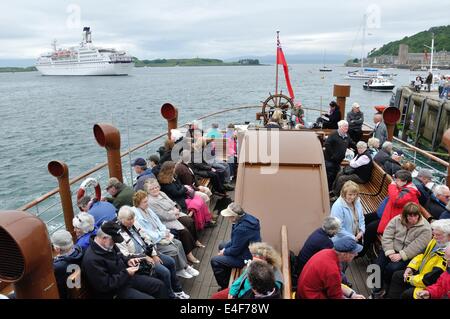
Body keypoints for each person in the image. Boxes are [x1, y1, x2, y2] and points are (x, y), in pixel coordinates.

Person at [115, 205, 190, 299]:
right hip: (139, 260)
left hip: (149, 253)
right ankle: (170, 296)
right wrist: (145, 257)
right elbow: (125, 255)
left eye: (133, 218)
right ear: (121, 219)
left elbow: (147, 239)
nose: (132, 221)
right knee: (164, 272)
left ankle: (177, 290)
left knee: (170, 262)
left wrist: (154, 254)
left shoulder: (135, 224)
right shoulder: (118, 234)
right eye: (129, 219)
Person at [81, 221, 168, 299]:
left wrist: (128, 261)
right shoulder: (91, 259)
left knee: (159, 285)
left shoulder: (109, 245)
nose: (115, 243)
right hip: (114, 291)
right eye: (113, 240)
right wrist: (126, 273)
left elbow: (121, 257)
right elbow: (105, 285)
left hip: (125, 279)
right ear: (104, 238)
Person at [132, 190, 199, 279]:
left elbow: (158, 222)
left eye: (147, 201)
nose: (147, 203)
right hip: (155, 241)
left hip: (162, 235)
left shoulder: (147, 210)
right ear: (138, 203)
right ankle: (180, 270)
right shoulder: (138, 217)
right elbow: (147, 233)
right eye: (144, 202)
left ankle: (185, 266)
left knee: (178, 243)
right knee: (173, 250)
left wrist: (165, 231)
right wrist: (162, 234)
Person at [371, 203, 432, 298]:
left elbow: (417, 246)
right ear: (405, 215)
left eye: (415, 215)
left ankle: (387, 286)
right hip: (391, 248)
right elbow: (387, 236)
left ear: (419, 214)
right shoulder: (397, 220)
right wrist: (390, 252)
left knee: (392, 268)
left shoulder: (426, 228)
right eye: (410, 216)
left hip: (408, 255)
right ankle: (377, 289)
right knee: (376, 265)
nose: (413, 219)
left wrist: (401, 255)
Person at [387, 219, 450, 299]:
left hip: (428, 284)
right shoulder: (436, 241)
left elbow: (429, 279)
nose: (434, 237)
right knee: (397, 275)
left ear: (449, 236)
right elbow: (422, 255)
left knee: (407, 294)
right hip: (420, 274)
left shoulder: (447, 256)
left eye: (438, 235)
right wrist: (411, 267)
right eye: (434, 234)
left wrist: (409, 278)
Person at [144, 179, 202, 264]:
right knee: (183, 231)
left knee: (189, 221)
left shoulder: (162, 193)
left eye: (156, 187)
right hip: (166, 221)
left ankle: (195, 240)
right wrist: (174, 213)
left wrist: (176, 209)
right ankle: (189, 254)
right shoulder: (151, 201)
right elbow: (163, 215)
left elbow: (172, 203)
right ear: (148, 191)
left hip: (175, 213)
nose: (155, 190)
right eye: (152, 189)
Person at [211, 203, 261, 290]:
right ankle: (228, 270)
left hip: (247, 258)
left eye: (229, 216)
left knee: (215, 261)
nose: (227, 218)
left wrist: (224, 252)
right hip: (246, 250)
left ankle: (225, 287)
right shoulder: (247, 218)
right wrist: (225, 249)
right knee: (222, 245)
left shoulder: (242, 229)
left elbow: (235, 250)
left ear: (234, 217)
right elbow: (235, 240)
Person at [297, 235, 364, 299]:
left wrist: (352, 295)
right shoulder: (332, 270)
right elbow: (336, 297)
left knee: (353, 294)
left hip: (305, 291)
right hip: (310, 296)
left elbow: (336, 285)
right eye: (354, 252)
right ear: (344, 254)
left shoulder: (327, 252)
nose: (356, 254)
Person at [211, 242, 283, 299]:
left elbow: (253, 293)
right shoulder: (256, 266)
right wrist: (233, 290)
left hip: (243, 295)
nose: (251, 262)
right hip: (239, 291)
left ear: (266, 261)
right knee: (215, 297)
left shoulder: (272, 280)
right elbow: (242, 278)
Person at [158, 161, 214, 230]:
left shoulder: (173, 176)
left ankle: (206, 220)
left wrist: (182, 188)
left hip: (183, 195)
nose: (175, 169)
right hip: (179, 200)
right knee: (198, 204)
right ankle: (202, 223)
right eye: (174, 168)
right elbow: (176, 193)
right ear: (170, 169)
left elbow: (180, 186)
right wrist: (183, 189)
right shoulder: (164, 182)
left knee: (201, 201)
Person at [377, 170, 420, 234]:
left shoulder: (410, 192)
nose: (395, 182)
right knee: (367, 218)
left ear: (405, 182)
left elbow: (396, 201)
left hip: (395, 221)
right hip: (388, 214)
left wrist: (392, 186)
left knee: (370, 228)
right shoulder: (403, 188)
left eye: (397, 180)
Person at [51, 229, 84, 299]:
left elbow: (60, 288)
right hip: (80, 288)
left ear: (57, 249)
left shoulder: (57, 266)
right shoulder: (80, 250)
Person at [323, 120, 352, 191]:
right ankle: (327, 190)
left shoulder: (347, 135)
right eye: (345, 126)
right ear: (340, 127)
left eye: (347, 126)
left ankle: (331, 190)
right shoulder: (334, 134)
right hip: (330, 160)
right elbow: (327, 144)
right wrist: (333, 155)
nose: (347, 127)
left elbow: (351, 143)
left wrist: (358, 147)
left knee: (335, 175)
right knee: (329, 176)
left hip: (338, 161)